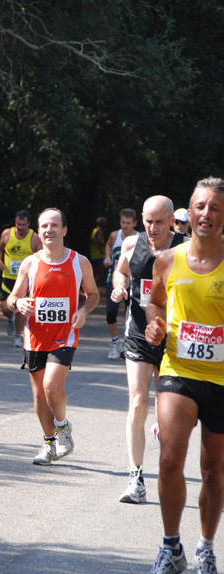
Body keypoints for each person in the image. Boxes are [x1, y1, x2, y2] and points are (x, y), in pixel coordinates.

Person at [143, 177, 224, 574]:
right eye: (199, 206)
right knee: (170, 458)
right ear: (187, 213)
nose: (205, 214)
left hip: (223, 379)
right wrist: (155, 325)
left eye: (214, 207)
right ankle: (171, 547)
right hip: (178, 370)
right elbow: (155, 302)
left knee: (214, 472)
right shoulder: (167, 260)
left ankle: (206, 550)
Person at [7, 208, 99, 465]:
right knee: (39, 396)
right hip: (35, 337)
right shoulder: (31, 263)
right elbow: (12, 297)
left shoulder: (79, 262)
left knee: (51, 386)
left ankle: (62, 427)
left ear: (64, 230)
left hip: (65, 335)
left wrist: (83, 310)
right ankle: (49, 444)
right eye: (44, 226)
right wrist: (18, 305)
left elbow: (93, 295)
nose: (49, 230)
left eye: (54, 225)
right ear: (39, 231)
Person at [111, 195, 185, 503]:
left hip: (173, 338)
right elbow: (120, 271)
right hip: (138, 334)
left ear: (171, 221)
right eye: (147, 221)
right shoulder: (131, 244)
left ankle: (162, 429)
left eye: (158, 222)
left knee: (169, 413)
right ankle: (136, 478)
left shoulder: (185, 249)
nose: (152, 228)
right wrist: (118, 286)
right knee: (138, 402)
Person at [0, 210, 42, 348]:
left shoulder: (35, 238)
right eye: (18, 224)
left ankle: (17, 335)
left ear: (29, 224)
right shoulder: (7, 234)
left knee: (21, 307)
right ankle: (10, 319)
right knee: (5, 308)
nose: (20, 227)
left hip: (25, 279)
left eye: (23, 225)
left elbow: (41, 257)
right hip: (8, 277)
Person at [103, 208, 138, 359]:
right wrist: (107, 257)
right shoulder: (114, 235)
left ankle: (127, 343)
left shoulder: (140, 238)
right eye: (123, 222)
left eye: (128, 223)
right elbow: (108, 245)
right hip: (114, 277)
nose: (125, 225)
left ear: (135, 223)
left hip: (133, 280)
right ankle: (115, 342)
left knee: (129, 313)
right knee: (111, 311)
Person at [90, 216, 107, 284]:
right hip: (99, 255)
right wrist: (102, 249)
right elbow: (99, 241)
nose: (106, 224)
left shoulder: (94, 230)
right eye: (105, 222)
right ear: (102, 223)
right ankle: (92, 286)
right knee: (100, 273)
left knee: (95, 273)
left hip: (94, 255)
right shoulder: (99, 231)